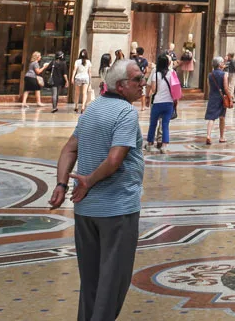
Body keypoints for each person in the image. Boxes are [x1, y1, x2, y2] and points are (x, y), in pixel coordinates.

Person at [50, 58, 146, 321]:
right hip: (117, 209)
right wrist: (88, 181)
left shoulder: (92, 108)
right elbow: (115, 159)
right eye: (138, 79)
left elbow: (69, 149)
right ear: (121, 85)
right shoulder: (126, 113)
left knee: (91, 282)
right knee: (112, 283)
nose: (143, 83)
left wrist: (61, 184)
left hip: (86, 211)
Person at [145, 53, 177, 154]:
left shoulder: (155, 74)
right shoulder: (172, 73)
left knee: (153, 124)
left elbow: (153, 89)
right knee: (165, 125)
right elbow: (176, 88)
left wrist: (148, 96)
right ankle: (164, 146)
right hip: (169, 102)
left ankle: (150, 144)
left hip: (157, 102)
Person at [204, 56, 232, 144]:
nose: (224, 64)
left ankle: (208, 135)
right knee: (222, 117)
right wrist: (230, 98)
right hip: (221, 98)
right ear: (220, 64)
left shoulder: (210, 74)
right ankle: (222, 137)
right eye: (223, 62)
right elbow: (226, 88)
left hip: (212, 97)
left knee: (211, 118)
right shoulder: (224, 74)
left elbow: (209, 86)